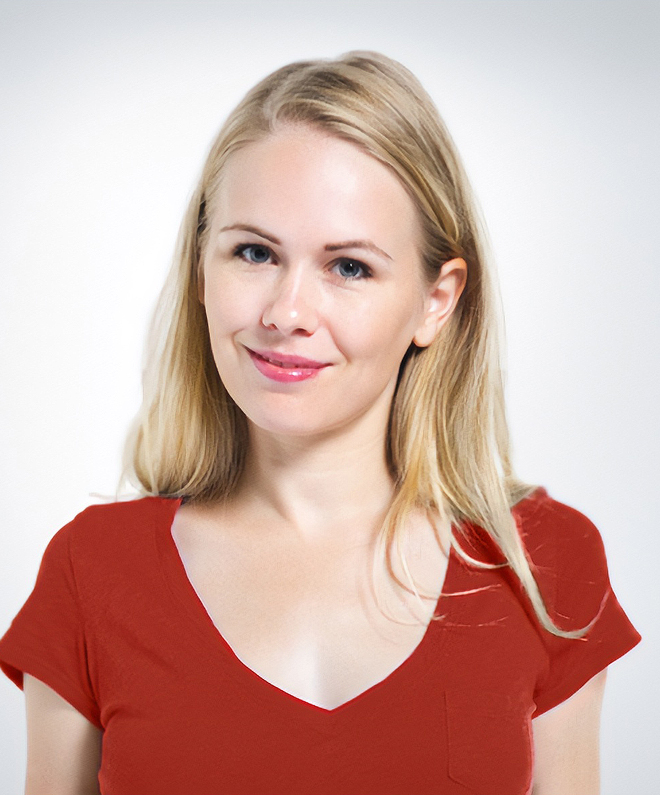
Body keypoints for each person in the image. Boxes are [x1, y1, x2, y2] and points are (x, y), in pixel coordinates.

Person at [0, 51, 641, 795]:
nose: (286, 313)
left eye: (349, 267)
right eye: (254, 252)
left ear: (436, 300)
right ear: (202, 269)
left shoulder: (544, 564)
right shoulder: (93, 572)